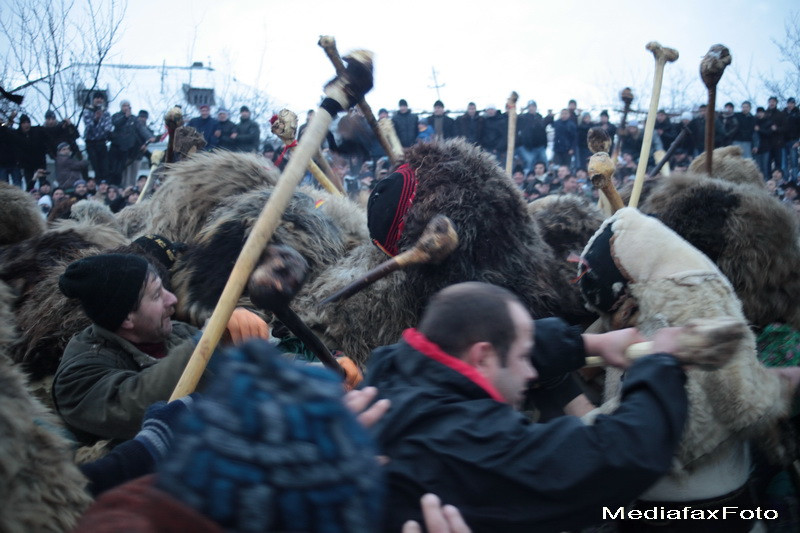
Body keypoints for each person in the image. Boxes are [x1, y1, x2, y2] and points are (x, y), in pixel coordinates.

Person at [365, 281, 689, 532]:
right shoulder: (475, 446)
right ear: (483, 356)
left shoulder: (391, 370)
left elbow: (498, 339)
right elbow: (622, 455)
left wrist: (589, 344)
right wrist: (661, 364)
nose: (532, 373)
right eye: (523, 358)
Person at [52, 253, 269, 444]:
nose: (172, 299)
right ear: (126, 317)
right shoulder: (78, 378)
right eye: (156, 295)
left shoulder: (175, 332)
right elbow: (139, 403)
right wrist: (212, 340)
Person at [82, 91, 112, 180]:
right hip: (91, 142)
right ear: (93, 99)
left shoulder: (106, 112)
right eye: (97, 98)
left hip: (102, 142)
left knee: (105, 167)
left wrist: (108, 132)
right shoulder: (87, 111)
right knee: (96, 167)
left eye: (101, 98)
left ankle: (105, 184)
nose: (99, 100)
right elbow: (88, 126)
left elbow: (108, 126)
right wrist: (96, 119)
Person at [515, 100, 548, 174]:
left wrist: (545, 144)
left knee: (544, 163)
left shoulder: (540, 117)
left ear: (536, 107)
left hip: (540, 146)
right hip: (529, 147)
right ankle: (528, 178)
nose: (531, 108)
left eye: (533, 106)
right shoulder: (523, 118)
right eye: (530, 107)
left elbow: (543, 131)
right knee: (530, 163)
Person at [17, 114, 49, 188]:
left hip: (40, 162)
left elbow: (48, 139)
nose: (26, 125)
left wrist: (46, 151)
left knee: (43, 183)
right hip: (27, 164)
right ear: (21, 124)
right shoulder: (17, 135)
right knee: (29, 182)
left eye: (28, 123)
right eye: (24, 123)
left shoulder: (37, 131)